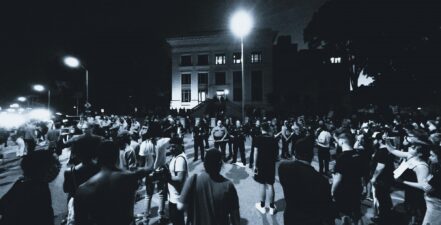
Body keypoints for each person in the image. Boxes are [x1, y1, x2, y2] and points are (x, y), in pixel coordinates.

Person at [74, 141, 153, 225]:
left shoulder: (83, 189)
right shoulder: (130, 177)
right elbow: (149, 168)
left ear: (98, 158)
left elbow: (80, 221)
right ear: (117, 156)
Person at [279, 137, 335, 225]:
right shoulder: (321, 180)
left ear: (295, 153)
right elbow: (327, 210)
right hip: (311, 220)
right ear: (312, 156)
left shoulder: (283, 168)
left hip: (290, 217)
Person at [178, 149, 240, 225]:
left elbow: (180, 206)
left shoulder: (193, 180)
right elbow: (235, 217)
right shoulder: (228, 185)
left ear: (204, 163)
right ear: (220, 164)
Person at [0, 151, 61, 225]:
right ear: (42, 168)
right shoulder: (37, 189)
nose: (59, 166)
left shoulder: (24, 183)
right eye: (56, 163)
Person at [385, 130, 430, 225]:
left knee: (415, 213)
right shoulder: (411, 155)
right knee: (409, 211)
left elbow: (422, 186)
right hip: (409, 190)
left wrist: (403, 182)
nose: (410, 146)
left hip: (417, 194)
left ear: (420, 153)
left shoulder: (421, 166)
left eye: (413, 147)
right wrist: (387, 141)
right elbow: (393, 150)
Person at [332, 130, 364, 225]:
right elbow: (362, 174)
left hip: (344, 190)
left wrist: (332, 191)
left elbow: (338, 178)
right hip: (357, 187)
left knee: (344, 214)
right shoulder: (358, 154)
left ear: (342, 141)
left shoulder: (341, 157)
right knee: (355, 211)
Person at [370, 132, 395, 224]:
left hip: (382, 180)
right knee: (385, 197)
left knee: (381, 197)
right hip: (387, 178)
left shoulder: (382, 151)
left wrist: (374, 177)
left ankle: (383, 218)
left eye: (375, 139)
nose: (373, 141)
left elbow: (380, 166)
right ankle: (388, 213)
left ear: (380, 140)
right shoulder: (388, 149)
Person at [253, 122, 278, 215]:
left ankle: (262, 206)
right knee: (270, 184)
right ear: (268, 129)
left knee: (262, 184)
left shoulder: (258, 138)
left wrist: (255, 166)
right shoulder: (273, 139)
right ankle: (272, 207)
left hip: (261, 164)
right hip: (270, 164)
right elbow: (277, 156)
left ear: (261, 129)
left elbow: (256, 152)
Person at [168, 137, 188, 225]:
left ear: (180, 146)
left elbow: (179, 179)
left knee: (178, 222)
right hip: (173, 196)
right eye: (170, 147)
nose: (171, 149)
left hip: (177, 198)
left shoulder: (180, 159)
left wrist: (166, 176)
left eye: (174, 146)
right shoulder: (175, 156)